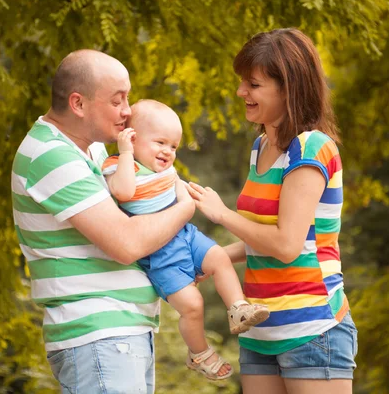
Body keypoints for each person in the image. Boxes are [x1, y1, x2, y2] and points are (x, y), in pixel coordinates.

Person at [11, 50, 197, 394]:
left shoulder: (94, 153)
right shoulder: (51, 155)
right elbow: (126, 243)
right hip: (99, 334)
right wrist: (185, 208)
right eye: (118, 100)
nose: (128, 111)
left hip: (121, 334)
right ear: (78, 103)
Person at [186, 28, 358, 394]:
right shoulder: (261, 145)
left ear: (288, 88)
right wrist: (214, 258)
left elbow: (287, 245)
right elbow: (260, 239)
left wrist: (220, 214)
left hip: (312, 330)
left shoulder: (311, 149)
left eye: (253, 84)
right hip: (259, 330)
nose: (241, 93)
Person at [101, 99, 270, 381]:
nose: (168, 151)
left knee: (218, 257)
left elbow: (181, 194)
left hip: (185, 235)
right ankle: (199, 353)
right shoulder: (118, 165)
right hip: (158, 254)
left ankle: (238, 307)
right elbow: (124, 192)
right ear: (132, 137)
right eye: (160, 143)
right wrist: (126, 152)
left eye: (174, 146)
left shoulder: (165, 171)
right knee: (192, 305)